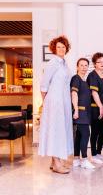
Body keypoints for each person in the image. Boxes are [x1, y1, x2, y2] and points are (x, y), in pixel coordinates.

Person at [39, 36, 73, 174]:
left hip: (63, 100)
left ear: (66, 49)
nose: (61, 49)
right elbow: (44, 85)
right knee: (56, 131)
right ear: (54, 48)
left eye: (63, 47)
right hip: (54, 102)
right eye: (58, 47)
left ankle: (54, 162)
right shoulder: (53, 62)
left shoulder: (64, 63)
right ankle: (57, 163)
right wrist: (46, 103)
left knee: (61, 130)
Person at [87, 52, 103, 164]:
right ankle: (93, 154)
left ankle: (99, 153)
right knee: (95, 131)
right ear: (94, 64)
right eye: (99, 62)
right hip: (96, 108)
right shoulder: (92, 75)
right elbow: (94, 92)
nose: (102, 64)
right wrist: (100, 107)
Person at [71, 58, 95, 169]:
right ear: (77, 67)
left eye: (86, 65)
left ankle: (76, 159)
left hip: (85, 112)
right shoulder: (76, 79)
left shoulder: (84, 80)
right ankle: (84, 159)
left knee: (79, 136)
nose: (84, 67)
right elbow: (74, 94)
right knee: (86, 134)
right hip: (80, 112)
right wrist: (76, 109)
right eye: (81, 65)